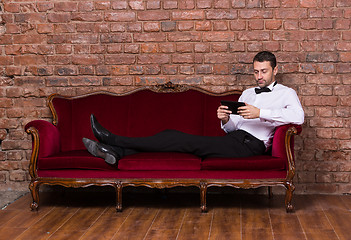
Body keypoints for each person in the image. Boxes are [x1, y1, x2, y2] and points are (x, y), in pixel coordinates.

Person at [83, 51, 304, 165]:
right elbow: (233, 127)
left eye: (263, 71)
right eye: (256, 72)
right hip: (234, 139)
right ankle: (116, 152)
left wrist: (260, 113)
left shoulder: (286, 93)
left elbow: (298, 117)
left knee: (175, 137)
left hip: (250, 146)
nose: (259, 77)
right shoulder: (247, 93)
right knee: (173, 139)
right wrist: (226, 120)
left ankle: (113, 140)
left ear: (275, 70)